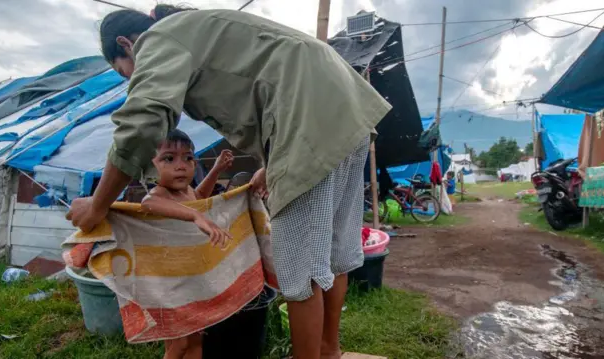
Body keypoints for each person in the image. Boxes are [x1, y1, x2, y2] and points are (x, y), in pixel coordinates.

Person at [66, 5, 391, 359]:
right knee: (332, 255)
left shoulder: (159, 39)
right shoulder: (199, 28)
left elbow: (142, 124)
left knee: (300, 272)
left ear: (126, 45)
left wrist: (97, 205)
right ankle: (329, 351)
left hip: (306, 118)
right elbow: (269, 85)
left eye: (121, 71)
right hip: (347, 109)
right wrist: (271, 161)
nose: (129, 79)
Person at [139, 129, 233, 359]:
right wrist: (194, 216)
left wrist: (217, 170)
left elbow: (199, 199)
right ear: (150, 167)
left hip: (191, 280)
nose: (181, 165)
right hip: (169, 286)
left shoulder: (187, 191)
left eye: (188, 158)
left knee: (196, 341)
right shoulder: (159, 194)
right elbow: (147, 203)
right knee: (178, 345)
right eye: (168, 158)